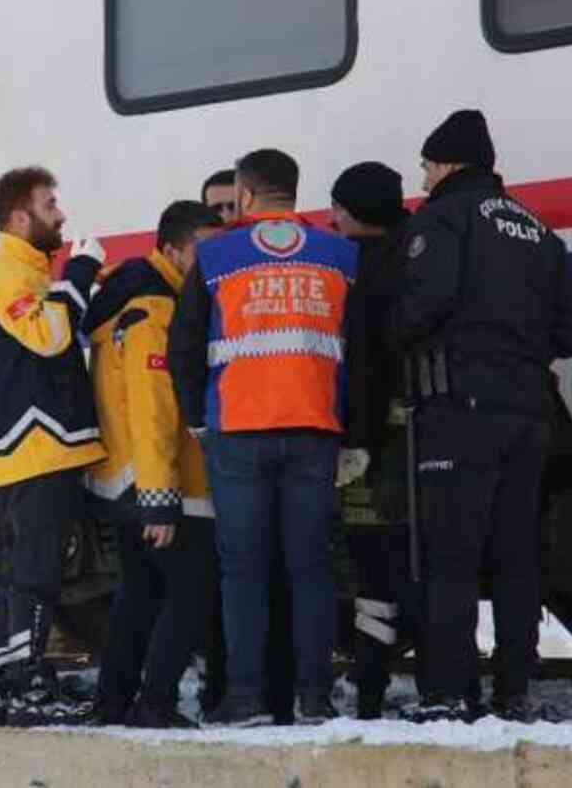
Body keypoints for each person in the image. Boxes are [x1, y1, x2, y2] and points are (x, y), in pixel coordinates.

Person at [390, 110, 572, 723]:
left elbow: (425, 305)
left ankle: (450, 692)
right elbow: (570, 333)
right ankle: (515, 690)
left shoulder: (444, 218)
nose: (422, 178)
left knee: (451, 554)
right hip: (529, 412)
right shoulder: (536, 229)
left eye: (425, 166)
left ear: (448, 163)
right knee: (515, 556)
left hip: (459, 409)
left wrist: (385, 332)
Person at [169, 149, 357, 726]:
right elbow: (361, 352)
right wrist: (355, 432)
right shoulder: (340, 254)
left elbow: (184, 347)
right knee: (310, 567)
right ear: (295, 194)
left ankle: (245, 698)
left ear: (245, 196)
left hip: (238, 432)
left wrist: (199, 421)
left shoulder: (215, 255)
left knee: (243, 569)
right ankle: (314, 698)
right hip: (315, 431)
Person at [0, 166, 107, 726]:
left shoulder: (24, 271)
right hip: (35, 449)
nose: (62, 215)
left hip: (33, 451)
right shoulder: (11, 275)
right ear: (21, 216)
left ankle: (7, 685)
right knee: (35, 575)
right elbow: (51, 338)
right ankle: (22, 687)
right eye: (52, 205)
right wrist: (81, 269)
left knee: (20, 575)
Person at [84, 200, 224, 729]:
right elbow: (153, 411)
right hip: (159, 482)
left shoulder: (129, 298)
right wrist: (160, 498)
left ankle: (113, 700)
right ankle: (155, 702)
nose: (211, 265)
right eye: (202, 253)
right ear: (170, 250)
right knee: (192, 588)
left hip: (128, 479)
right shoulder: (156, 310)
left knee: (140, 592)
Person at [329, 162, 421, 719]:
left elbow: (364, 367)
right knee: (415, 562)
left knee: (373, 566)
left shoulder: (366, 272)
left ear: (361, 210)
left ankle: (368, 689)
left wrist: (356, 443)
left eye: (340, 206)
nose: (333, 216)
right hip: (421, 438)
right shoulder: (419, 251)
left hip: (378, 444)